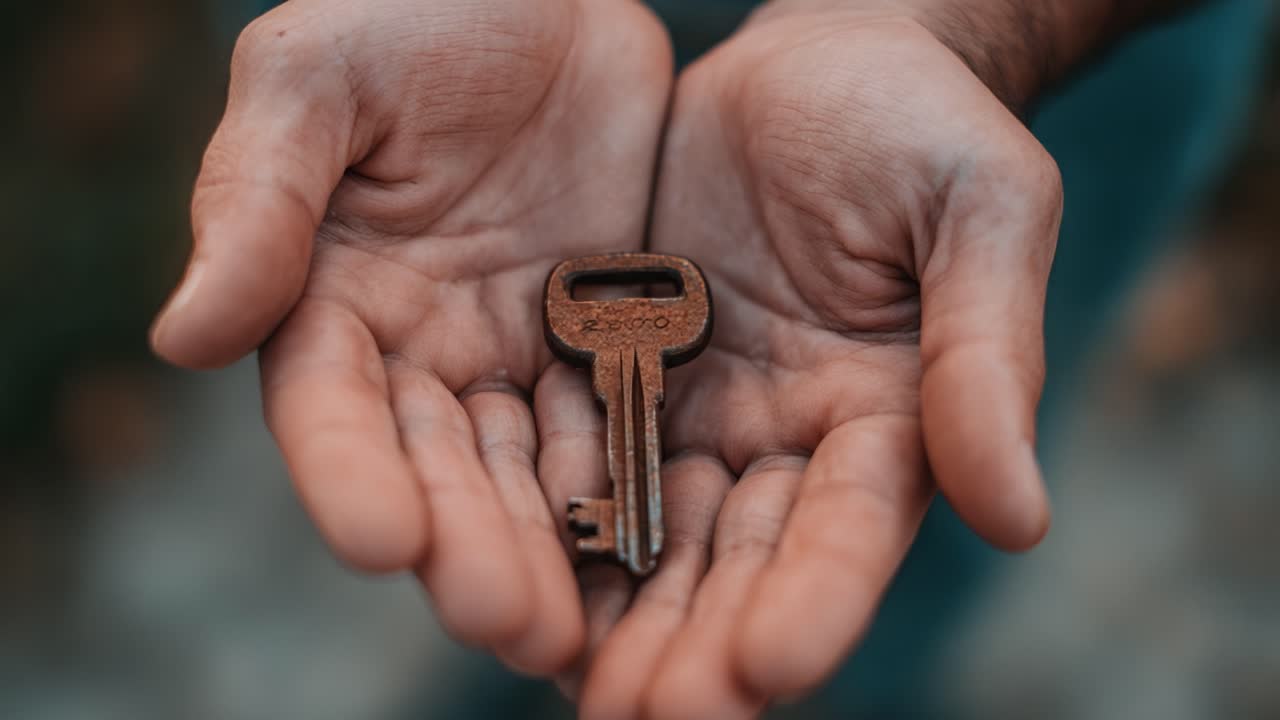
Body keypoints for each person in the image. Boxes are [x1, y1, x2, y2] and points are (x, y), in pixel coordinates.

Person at [151, 0, 1274, 716]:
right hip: (447, 52)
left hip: (1036, 53)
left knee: (907, 464)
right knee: (489, 552)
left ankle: (850, 682)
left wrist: (972, 27)